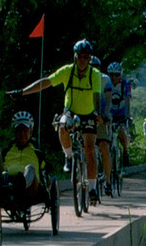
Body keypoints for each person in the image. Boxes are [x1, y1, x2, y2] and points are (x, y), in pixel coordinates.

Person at [10, 38, 103, 204]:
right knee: (61, 124)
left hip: (89, 113)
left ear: (89, 58)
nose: (82, 60)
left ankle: (92, 189)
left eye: (85, 57)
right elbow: (46, 82)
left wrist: (97, 112)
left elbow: (96, 95)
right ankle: (68, 156)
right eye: (79, 56)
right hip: (70, 110)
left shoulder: (94, 74)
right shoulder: (67, 71)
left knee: (89, 148)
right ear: (75, 57)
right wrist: (22, 92)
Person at [0, 111, 45, 209]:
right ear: (14, 132)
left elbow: (45, 172)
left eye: (25, 131)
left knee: (30, 168)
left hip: (29, 187)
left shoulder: (37, 153)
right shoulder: (6, 151)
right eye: (19, 131)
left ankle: (20, 185)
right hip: (7, 182)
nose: (22, 134)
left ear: (30, 132)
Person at [92, 56, 114, 197]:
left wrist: (105, 115)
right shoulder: (81, 78)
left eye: (95, 67)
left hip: (101, 115)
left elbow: (108, 99)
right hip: (87, 115)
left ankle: (107, 181)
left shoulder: (105, 80)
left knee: (104, 146)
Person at [108, 62, 132, 169]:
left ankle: (125, 151)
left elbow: (127, 101)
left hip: (121, 114)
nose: (114, 77)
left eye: (117, 75)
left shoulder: (124, 85)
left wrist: (128, 116)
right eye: (111, 75)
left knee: (122, 131)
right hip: (109, 114)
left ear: (120, 75)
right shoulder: (105, 83)